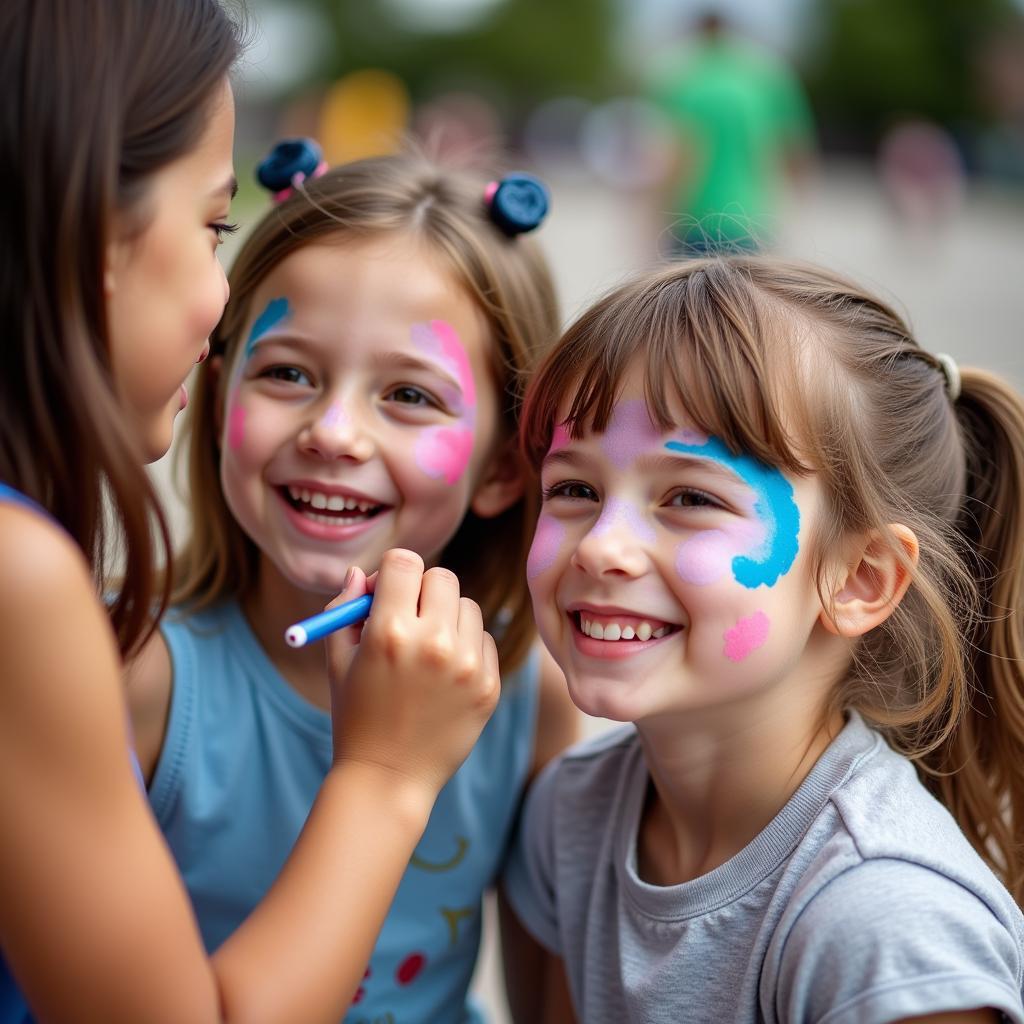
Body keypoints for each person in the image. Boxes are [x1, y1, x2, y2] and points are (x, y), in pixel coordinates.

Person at [0, 4, 503, 1022]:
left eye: (409, 393)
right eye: (213, 226)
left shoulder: (533, 699)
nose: (220, 298)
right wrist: (388, 773)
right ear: (96, 240)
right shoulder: (28, 587)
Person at [501, 256, 1024, 1023]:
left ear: (859, 579)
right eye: (575, 489)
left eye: (688, 496)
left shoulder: (885, 926)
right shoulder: (568, 817)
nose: (600, 547)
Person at [125, 145, 579, 1023]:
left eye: (410, 395)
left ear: (502, 467)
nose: (334, 432)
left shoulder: (527, 696)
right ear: (216, 401)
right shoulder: (136, 679)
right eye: (288, 372)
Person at [646, 11, 815, 255]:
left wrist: (651, 221)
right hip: (752, 219)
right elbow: (795, 151)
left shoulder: (680, 82)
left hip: (692, 219)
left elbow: (672, 158)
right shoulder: (769, 80)